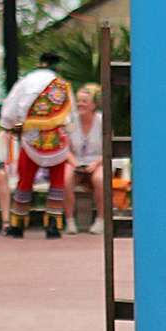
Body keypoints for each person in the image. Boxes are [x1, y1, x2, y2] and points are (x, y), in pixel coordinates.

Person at [0, 55, 74, 239]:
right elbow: (71, 116)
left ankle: (18, 224)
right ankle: (53, 225)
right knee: (57, 180)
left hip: (31, 135)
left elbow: (10, 108)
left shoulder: (25, 82)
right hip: (57, 136)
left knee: (25, 179)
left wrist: (9, 124)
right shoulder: (63, 85)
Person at [66, 85, 105, 233]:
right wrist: (74, 163)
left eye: (84, 101)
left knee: (100, 179)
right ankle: (69, 221)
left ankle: (101, 220)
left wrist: (96, 163)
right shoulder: (70, 122)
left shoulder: (102, 121)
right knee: (65, 177)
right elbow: (65, 148)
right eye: (79, 101)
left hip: (98, 161)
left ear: (93, 105)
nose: (80, 104)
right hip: (75, 160)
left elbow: (108, 149)